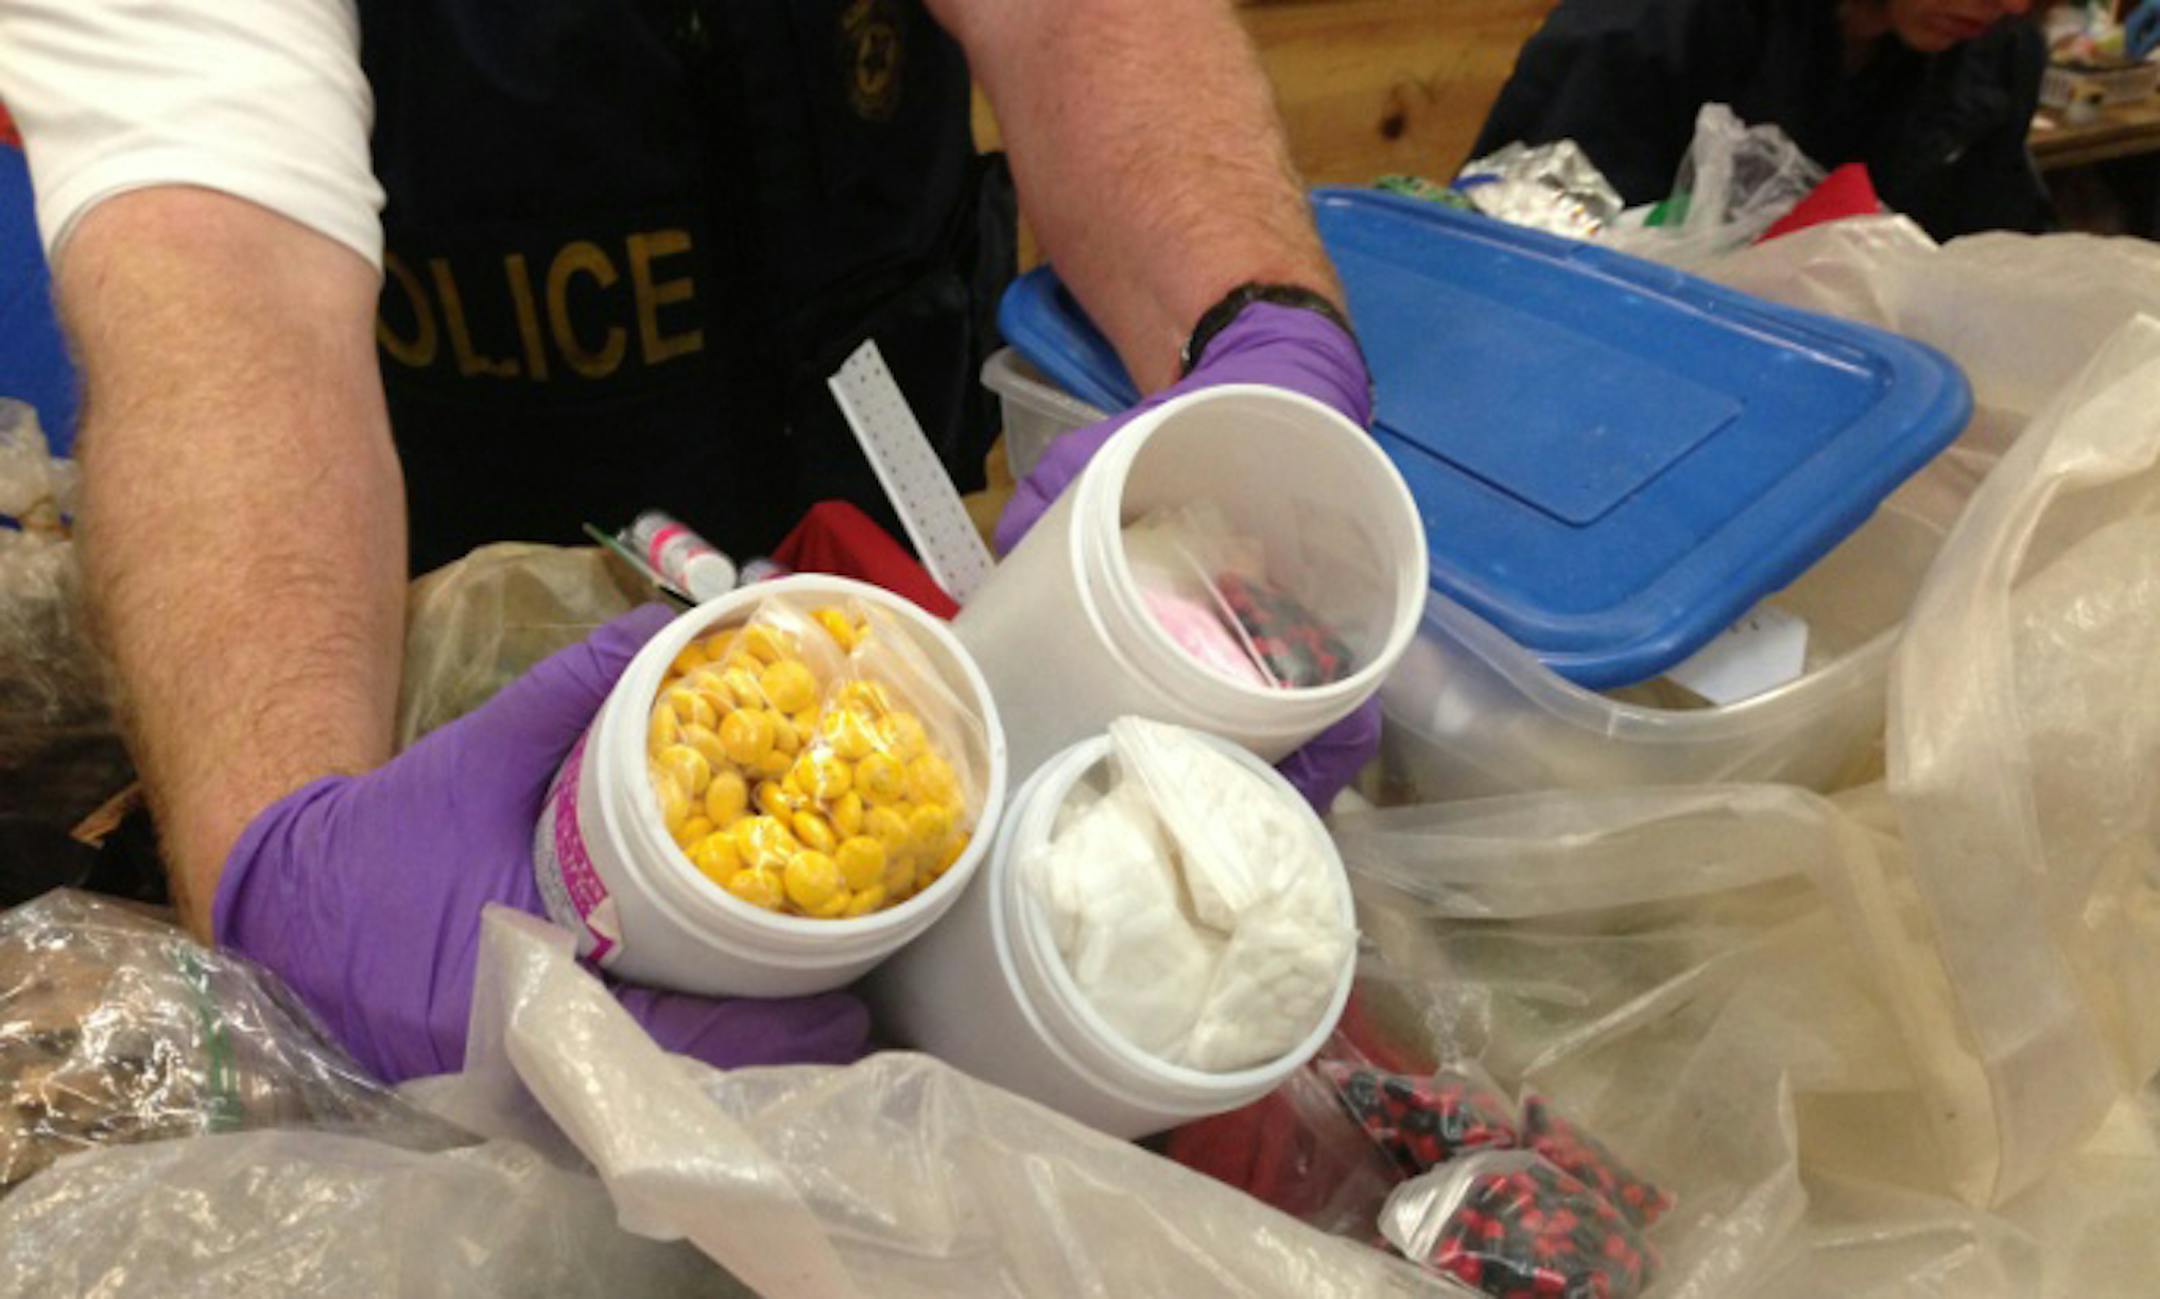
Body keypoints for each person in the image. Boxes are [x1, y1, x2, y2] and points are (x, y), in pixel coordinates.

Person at [0, 0, 1379, 1083]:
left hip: (882, 449)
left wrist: (1254, 324)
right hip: (458, 595)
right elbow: (218, 272)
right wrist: (284, 857)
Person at [1472, 0, 2051, 241]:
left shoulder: (1996, 54)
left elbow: (1986, 246)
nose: (2013, 4)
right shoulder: (1648, 28)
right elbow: (1533, 254)